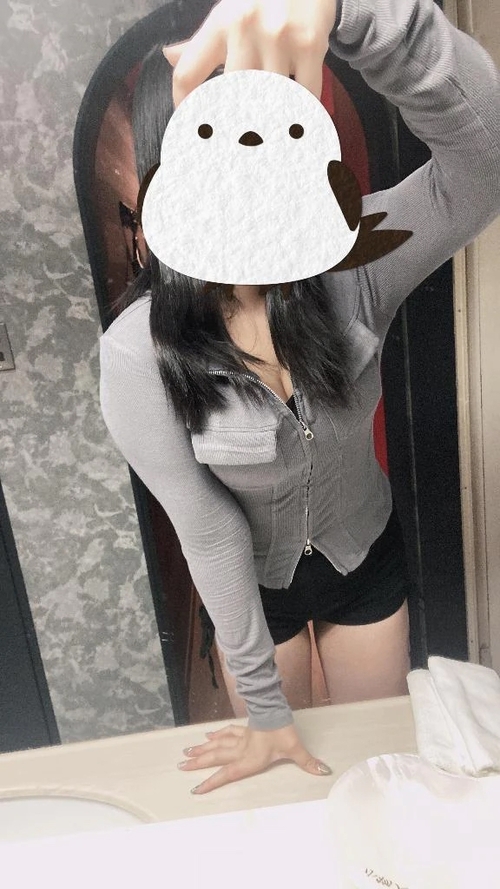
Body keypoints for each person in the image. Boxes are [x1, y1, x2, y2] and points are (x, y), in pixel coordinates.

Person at [100, 0, 500, 795]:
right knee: (284, 772)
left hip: (366, 561)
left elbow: (482, 162)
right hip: (254, 591)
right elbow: (207, 528)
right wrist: (264, 707)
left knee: (372, 765)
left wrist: (354, 12)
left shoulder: (357, 261)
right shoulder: (137, 352)